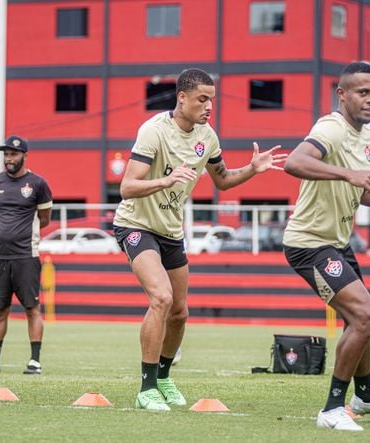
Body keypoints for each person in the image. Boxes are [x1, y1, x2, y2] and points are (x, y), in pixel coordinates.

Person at [113, 68, 286, 411]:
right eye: (202, 99)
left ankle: (163, 378)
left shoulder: (208, 136)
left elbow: (222, 181)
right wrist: (165, 181)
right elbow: (126, 187)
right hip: (136, 224)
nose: (209, 106)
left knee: (179, 312)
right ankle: (146, 387)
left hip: (171, 232)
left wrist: (252, 169)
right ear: (182, 98)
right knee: (161, 298)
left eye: (212, 100)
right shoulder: (153, 132)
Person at [283, 62, 370, 431]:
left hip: (337, 244)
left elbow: (369, 194)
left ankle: (367, 397)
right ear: (342, 94)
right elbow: (295, 162)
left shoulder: (365, 138)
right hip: (309, 244)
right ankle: (332, 409)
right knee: (366, 315)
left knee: (360, 321)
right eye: (363, 92)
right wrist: (347, 172)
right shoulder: (331, 127)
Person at [0, 135, 52, 375]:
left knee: (31, 308)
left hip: (26, 256)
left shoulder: (38, 184)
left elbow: (45, 219)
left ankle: (34, 361)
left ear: (24, 156)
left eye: (13, 154)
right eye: (6, 154)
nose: (9, 159)